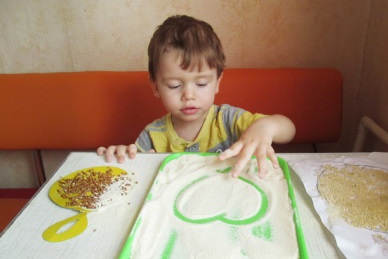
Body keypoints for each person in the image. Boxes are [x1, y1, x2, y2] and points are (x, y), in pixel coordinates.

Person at [97, 15, 295, 179]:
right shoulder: (152, 136)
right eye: (175, 85)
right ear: (155, 87)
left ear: (217, 82)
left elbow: (288, 129)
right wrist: (122, 157)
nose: (189, 95)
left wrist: (265, 127)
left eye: (201, 84)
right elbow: (135, 175)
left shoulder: (229, 120)